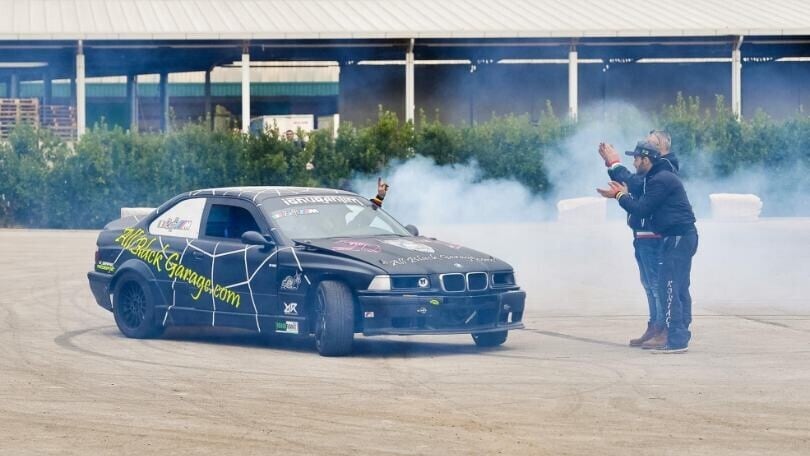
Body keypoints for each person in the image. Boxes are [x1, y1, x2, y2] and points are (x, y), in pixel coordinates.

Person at [597, 139, 698, 354]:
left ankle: (676, 337)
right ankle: (674, 334)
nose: (633, 162)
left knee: (668, 286)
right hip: (675, 237)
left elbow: (641, 208)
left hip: (678, 236)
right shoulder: (656, 177)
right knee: (669, 285)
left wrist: (619, 195)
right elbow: (635, 187)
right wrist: (614, 172)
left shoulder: (661, 179)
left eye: (636, 158)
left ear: (647, 159)